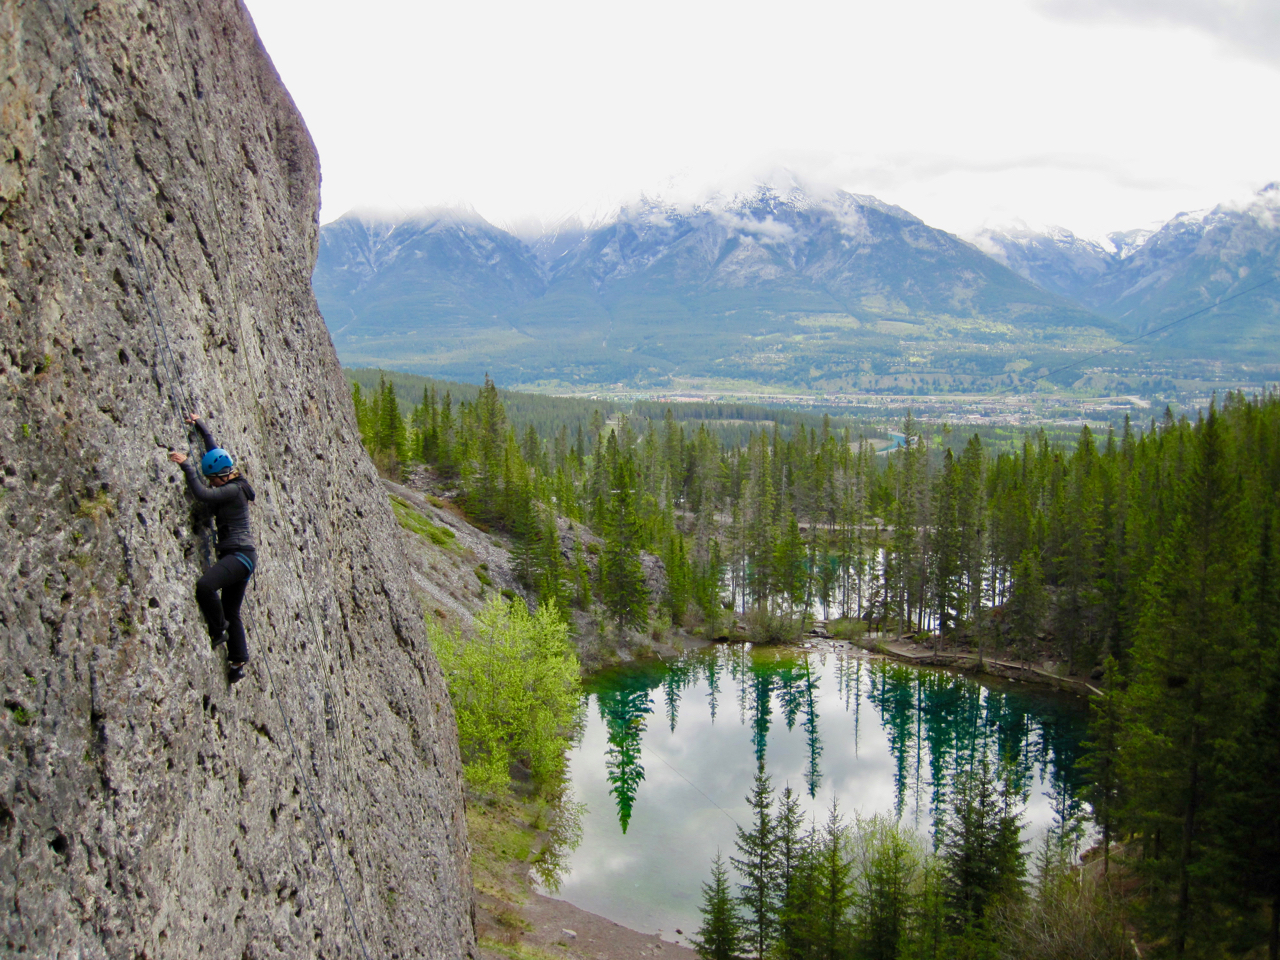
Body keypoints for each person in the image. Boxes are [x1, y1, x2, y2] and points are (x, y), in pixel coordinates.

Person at [168, 414, 257, 683]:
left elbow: (204, 495)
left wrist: (188, 468)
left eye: (212, 478)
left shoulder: (231, 490)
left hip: (238, 555)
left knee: (205, 586)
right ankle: (238, 662)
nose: (211, 483)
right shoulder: (230, 477)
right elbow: (215, 453)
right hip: (243, 557)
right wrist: (201, 426)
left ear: (221, 476)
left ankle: (219, 632)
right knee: (232, 609)